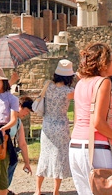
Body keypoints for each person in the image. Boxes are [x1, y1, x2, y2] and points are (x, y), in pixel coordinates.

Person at [69, 43, 112, 195]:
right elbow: (98, 123)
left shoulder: (81, 83)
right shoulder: (104, 82)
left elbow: (77, 119)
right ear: (103, 63)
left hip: (76, 144)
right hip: (96, 145)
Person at [34, 59, 75, 195]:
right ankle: (55, 191)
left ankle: (38, 190)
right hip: (61, 124)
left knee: (44, 156)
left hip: (47, 124)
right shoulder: (69, 91)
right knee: (59, 157)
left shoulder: (48, 85)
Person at [0, 96, 33, 195]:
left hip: (4, 149)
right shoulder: (5, 116)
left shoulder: (18, 122)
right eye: (26, 111)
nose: (26, 114)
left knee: (13, 161)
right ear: (19, 106)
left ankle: (2, 189)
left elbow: (22, 143)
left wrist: (27, 163)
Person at [0, 67, 20, 195]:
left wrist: (4, 128)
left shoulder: (11, 98)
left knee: (1, 166)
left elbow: (13, 119)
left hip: (1, 133)